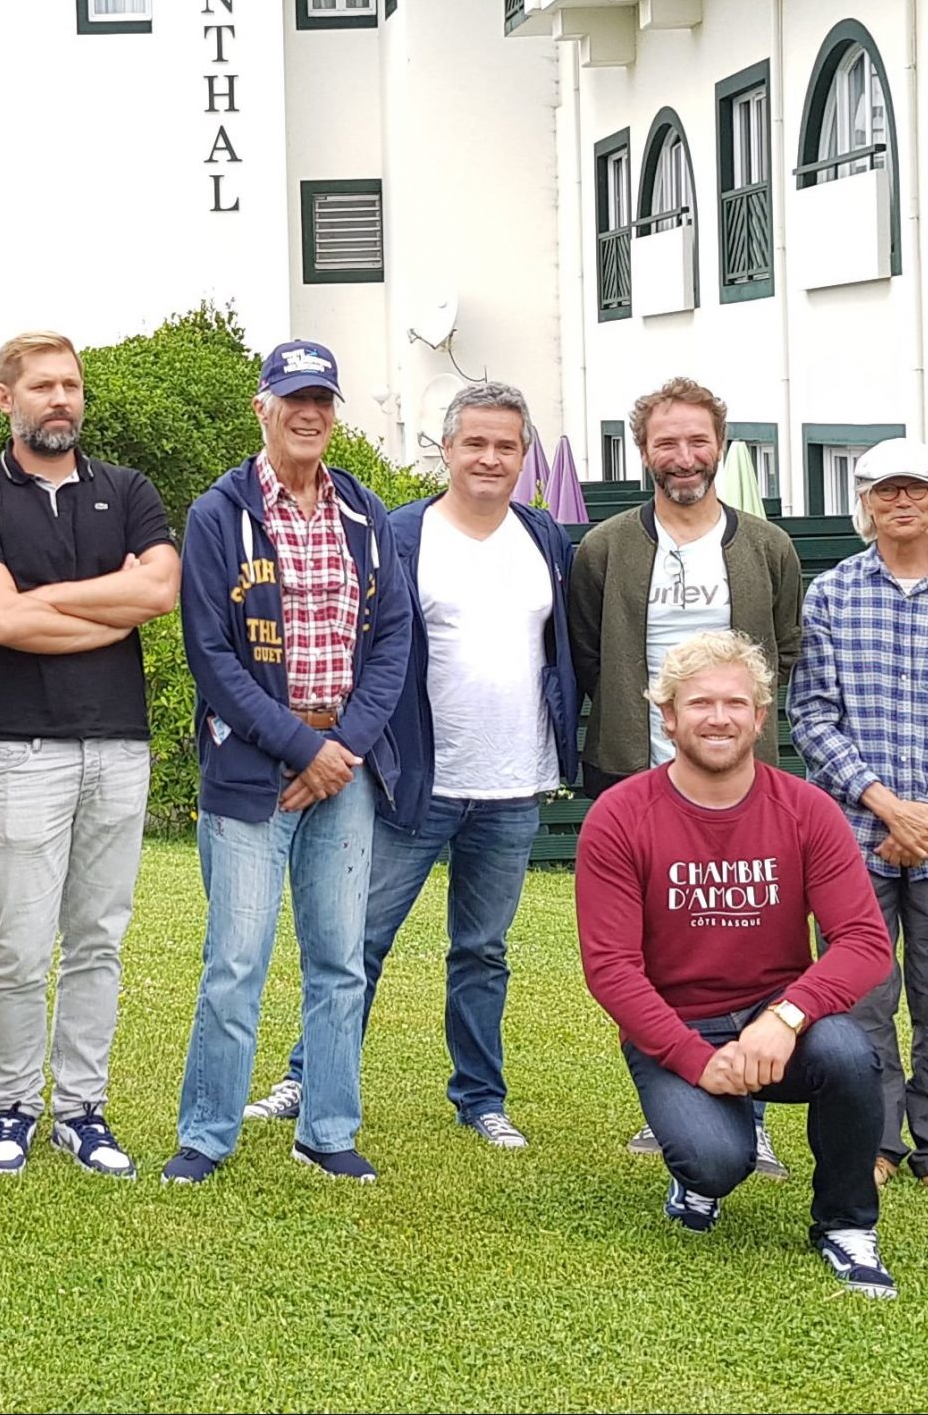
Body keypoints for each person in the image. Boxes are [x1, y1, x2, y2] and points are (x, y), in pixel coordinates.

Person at [243, 380, 579, 1151]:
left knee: (482, 951)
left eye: (505, 446)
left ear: (523, 456)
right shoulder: (399, 535)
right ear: (447, 450)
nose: (489, 458)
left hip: (511, 783)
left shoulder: (543, 539)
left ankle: (481, 1097)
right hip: (413, 781)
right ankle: (309, 1076)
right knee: (357, 939)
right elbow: (366, 648)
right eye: (475, 444)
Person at [575, 630, 898, 1298]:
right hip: (676, 1028)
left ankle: (845, 1225)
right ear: (667, 716)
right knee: (718, 1162)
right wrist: (696, 1060)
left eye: (734, 703)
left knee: (846, 1053)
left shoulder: (806, 810)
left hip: (774, 1021)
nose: (717, 718)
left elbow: (866, 941)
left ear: (759, 716)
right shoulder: (620, 816)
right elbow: (611, 969)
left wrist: (785, 1017)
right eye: (698, 703)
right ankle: (697, 1172)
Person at [164, 341, 411, 1186]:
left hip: (346, 768)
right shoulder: (218, 513)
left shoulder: (365, 514)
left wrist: (340, 754)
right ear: (261, 406)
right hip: (251, 770)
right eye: (293, 398)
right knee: (236, 960)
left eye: (323, 401)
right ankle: (206, 1134)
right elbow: (211, 655)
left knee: (340, 959)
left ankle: (327, 1128)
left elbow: (392, 644)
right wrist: (306, 750)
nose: (310, 414)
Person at [0, 331, 177, 1177]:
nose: (60, 400)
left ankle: (83, 1109)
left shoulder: (127, 490)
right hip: (18, 749)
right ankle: (14, 1106)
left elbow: (160, 590)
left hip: (118, 744)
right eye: (42, 386)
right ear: (7, 398)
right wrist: (106, 609)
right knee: (21, 945)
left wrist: (47, 601)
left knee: (99, 939)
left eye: (71, 386)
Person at [570, 376, 803, 1173]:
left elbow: (786, 651)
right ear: (644, 452)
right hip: (638, 776)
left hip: (740, 784)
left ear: (721, 446)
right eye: (666, 442)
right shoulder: (606, 547)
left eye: (697, 440)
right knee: (648, 953)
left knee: (752, 939)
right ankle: (672, 1092)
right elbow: (590, 655)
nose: (683, 456)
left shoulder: (766, 546)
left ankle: (756, 1106)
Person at [789, 438, 928, 1203]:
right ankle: (875, 1141)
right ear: (866, 504)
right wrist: (885, 804)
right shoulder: (831, 597)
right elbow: (812, 716)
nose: (902, 502)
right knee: (861, 996)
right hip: (855, 837)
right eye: (886, 491)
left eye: (915, 488)